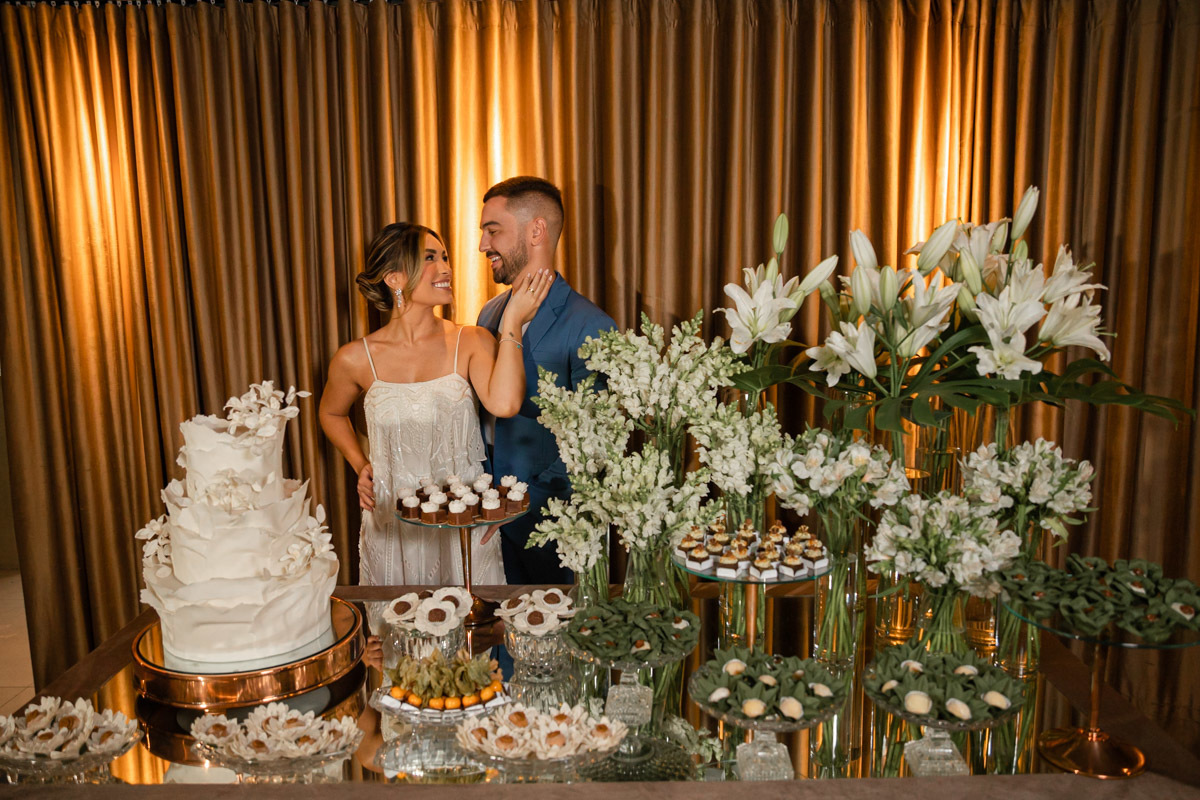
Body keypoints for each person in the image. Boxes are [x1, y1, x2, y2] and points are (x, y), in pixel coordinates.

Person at [320, 222, 552, 590]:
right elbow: (331, 413)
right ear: (394, 278)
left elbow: (506, 404)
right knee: (398, 622)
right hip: (392, 524)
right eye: (430, 258)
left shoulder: (471, 341)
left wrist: (512, 321)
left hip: (462, 520)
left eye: (444, 257)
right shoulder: (354, 358)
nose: (446, 268)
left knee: (473, 623)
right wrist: (360, 464)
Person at [476, 177, 616, 584]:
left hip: (552, 532)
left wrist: (520, 508)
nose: (483, 245)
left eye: (493, 230)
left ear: (536, 230)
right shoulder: (488, 314)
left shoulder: (591, 326)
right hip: (481, 524)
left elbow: (595, 442)